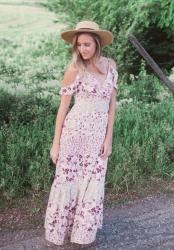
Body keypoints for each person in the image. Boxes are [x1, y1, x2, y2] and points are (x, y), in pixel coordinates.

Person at [44, 20, 118, 247]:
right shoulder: (74, 69)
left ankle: (83, 234)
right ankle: (60, 231)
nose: (82, 49)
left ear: (97, 43)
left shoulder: (111, 65)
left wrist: (109, 138)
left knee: (93, 181)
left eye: (86, 44)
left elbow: (112, 105)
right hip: (74, 134)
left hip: (97, 137)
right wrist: (56, 144)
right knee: (68, 181)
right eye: (78, 45)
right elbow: (63, 109)